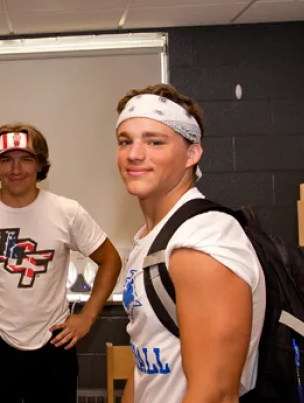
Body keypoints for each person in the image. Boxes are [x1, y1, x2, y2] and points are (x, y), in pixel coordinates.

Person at [0, 124, 122, 403]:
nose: (15, 169)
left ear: (40, 163)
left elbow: (110, 259)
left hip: (54, 339)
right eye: (6, 159)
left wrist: (87, 317)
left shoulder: (67, 212)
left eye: (26, 159)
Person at [115, 85, 265, 403]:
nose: (134, 154)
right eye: (125, 141)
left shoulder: (201, 241)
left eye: (155, 141)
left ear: (192, 154)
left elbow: (216, 394)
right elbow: (145, 365)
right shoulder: (150, 237)